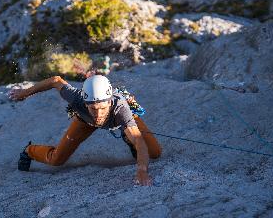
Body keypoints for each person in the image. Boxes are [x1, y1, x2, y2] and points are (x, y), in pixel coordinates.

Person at [8, 75, 162, 186]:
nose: (99, 114)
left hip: (120, 121)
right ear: (86, 103)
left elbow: (139, 140)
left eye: (102, 108)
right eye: (93, 108)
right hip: (84, 122)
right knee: (56, 160)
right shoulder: (77, 98)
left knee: (154, 152)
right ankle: (29, 150)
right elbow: (55, 81)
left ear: (109, 102)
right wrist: (24, 93)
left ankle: (126, 137)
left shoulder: (121, 108)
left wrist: (142, 170)